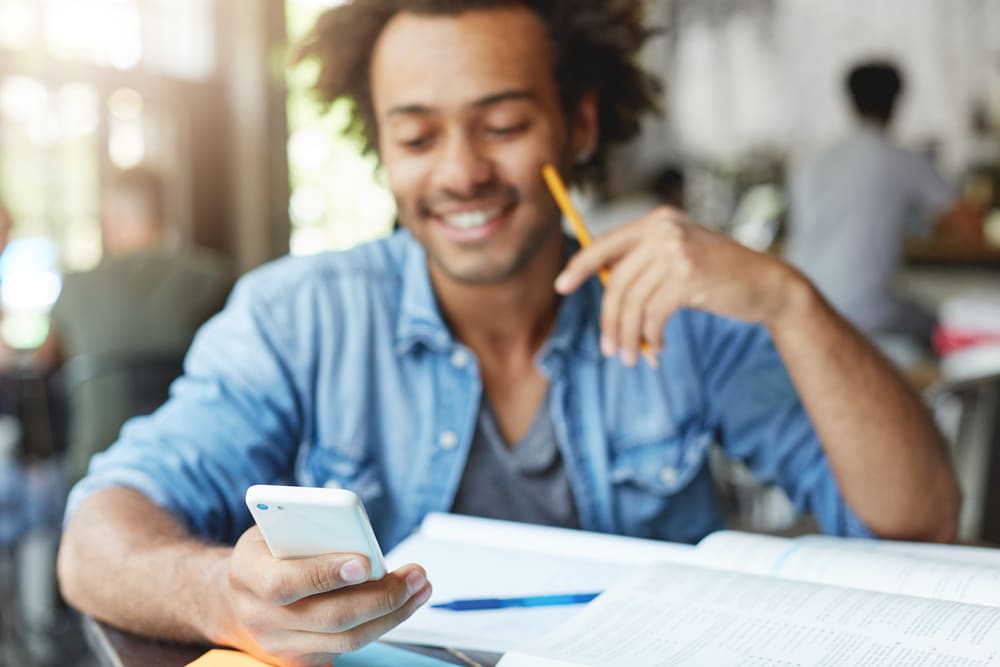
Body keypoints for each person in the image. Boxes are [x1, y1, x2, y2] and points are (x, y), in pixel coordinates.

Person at [58, 3, 959, 665]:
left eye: (502, 125)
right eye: (417, 137)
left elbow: (917, 522)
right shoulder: (296, 316)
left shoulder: (682, 317)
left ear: (580, 123)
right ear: (380, 147)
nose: (461, 172)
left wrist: (790, 300)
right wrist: (224, 593)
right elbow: (97, 538)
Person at [38, 166, 232, 484]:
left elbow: (43, 364)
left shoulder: (75, 287)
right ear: (166, 215)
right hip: (191, 468)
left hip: (94, 471)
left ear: (110, 219)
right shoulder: (214, 278)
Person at [786, 61, 957, 354]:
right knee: (945, 327)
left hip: (804, 303)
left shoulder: (815, 163)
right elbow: (964, 219)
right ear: (897, 102)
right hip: (867, 311)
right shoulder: (900, 160)